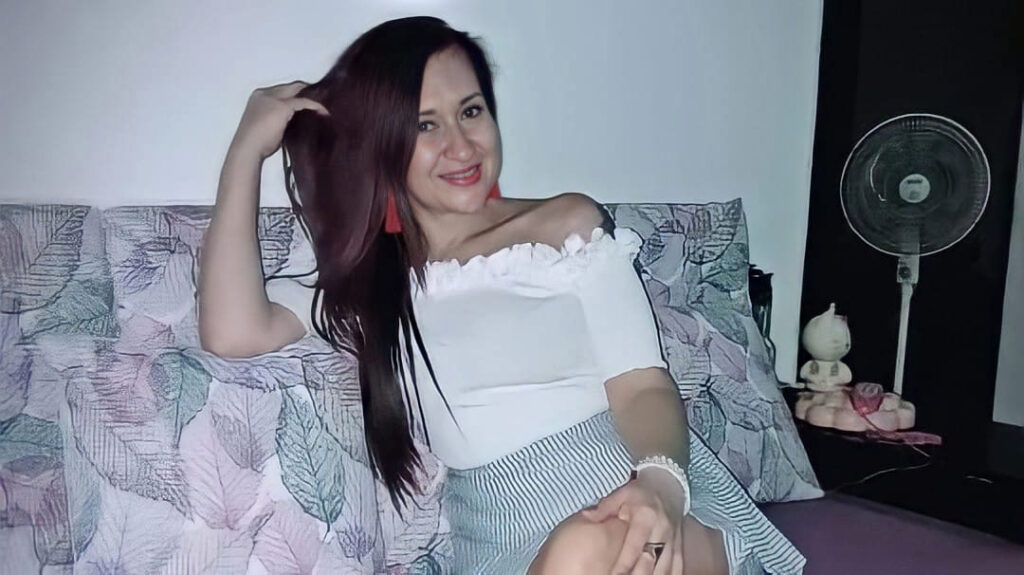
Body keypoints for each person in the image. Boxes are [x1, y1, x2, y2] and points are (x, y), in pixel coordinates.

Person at [198, 16, 804, 575]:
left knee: (585, 548)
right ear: (381, 141)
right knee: (575, 553)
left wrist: (662, 484)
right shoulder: (372, 287)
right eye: (425, 125)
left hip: (640, 496)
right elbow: (231, 330)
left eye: (471, 111)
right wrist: (247, 148)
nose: (462, 146)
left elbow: (642, 383)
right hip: (502, 540)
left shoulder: (564, 226)